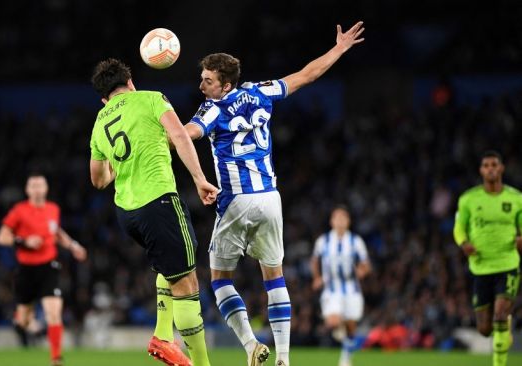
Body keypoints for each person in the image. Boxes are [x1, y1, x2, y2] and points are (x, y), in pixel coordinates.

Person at [183, 21, 365, 366]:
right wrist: (339, 49)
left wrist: (161, 128)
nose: (201, 85)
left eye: (208, 80)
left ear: (224, 83)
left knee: (220, 279)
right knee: (274, 274)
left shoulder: (213, 108)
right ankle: (283, 358)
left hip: (236, 199)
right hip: (270, 198)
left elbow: (189, 134)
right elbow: (306, 75)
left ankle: (251, 345)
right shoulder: (261, 91)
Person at [89, 58, 218, 366]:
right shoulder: (150, 98)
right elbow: (180, 136)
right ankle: (200, 362)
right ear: (130, 83)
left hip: (127, 213)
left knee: (168, 269)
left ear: (104, 97)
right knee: (187, 283)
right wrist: (200, 179)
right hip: (158, 200)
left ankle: (163, 333)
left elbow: (98, 179)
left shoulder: (99, 121)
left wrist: (118, 167)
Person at [0, 173, 87, 366]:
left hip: (48, 267)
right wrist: (24, 241)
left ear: (46, 189)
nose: (37, 189)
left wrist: (73, 246)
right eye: (33, 186)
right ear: (27, 190)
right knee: (24, 321)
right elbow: (2, 237)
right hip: (26, 270)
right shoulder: (19, 211)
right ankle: (20, 321)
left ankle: (56, 358)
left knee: (54, 313)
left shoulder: (53, 209)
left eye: (40, 185)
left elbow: (57, 232)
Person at [453, 150, 522, 366]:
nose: (491, 168)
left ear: (501, 169)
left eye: (494, 164)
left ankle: (498, 363)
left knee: (500, 314)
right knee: (484, 329)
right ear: (481, 171)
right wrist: (464, 243)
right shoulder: (468, 199)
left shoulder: (516, 198)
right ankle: (504, 329)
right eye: (486, 165)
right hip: (481, 267)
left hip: (507, 264)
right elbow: (458, 228)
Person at [310, 205, 371, 366]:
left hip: (352, 289)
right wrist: (317, 277)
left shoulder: (355, 241)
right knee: (333, 322)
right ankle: (339, 330)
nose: (340, 221)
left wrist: (362, 270)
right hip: (331, 290)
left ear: (348, 222)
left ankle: (346, 355)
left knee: (351, 326)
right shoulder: (323, 241)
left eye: (343, 218)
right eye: (337, 218)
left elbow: (366, 263)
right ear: (332, 221)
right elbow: (315, 260)